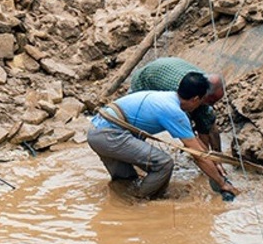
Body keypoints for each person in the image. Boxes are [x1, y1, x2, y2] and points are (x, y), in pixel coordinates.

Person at [87, 71, 241, 201]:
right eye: (201, 102)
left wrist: (214, 163)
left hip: (97, 129)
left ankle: (122, 205)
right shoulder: (174, 112)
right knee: (163, 164)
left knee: (126, 182)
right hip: (110, 134)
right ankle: (139, 204)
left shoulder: (167, 97)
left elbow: (199, 148)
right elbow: (198, 154)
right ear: (195, 99)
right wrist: (223, 184)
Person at [130, 57, 225, 152]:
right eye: (211, 101)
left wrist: (218, 157)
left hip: (167, 69)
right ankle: (135, 152)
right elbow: (188, 136)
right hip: (144, 80)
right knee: (138, 127)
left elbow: (206, 124)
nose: (212, 105)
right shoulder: (182, 94)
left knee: (206, 116)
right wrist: (204, 156)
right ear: (202, 96)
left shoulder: (202, 83)